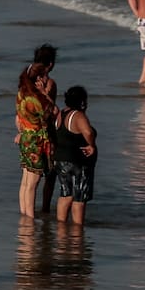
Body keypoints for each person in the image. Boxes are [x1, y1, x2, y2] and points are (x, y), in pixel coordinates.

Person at [16, 45, 58, 218]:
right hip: (39, 140)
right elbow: (54, 113)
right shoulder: (38, 98)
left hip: (26, 136)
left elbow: (18, 117)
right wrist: (44, 93)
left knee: (25, 182)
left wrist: (21, 131)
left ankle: (24, 216)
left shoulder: (21, 93)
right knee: (35, 182)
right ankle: (32, 219)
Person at [53, 86, 97, 225]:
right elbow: (88, 132)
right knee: (79, 198)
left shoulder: (61, 114)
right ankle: (77, 230)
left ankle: (61, 226)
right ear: (82, 101)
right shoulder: (78, 115)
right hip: (78, 161)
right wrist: (92, 145)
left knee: (65, 194)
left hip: (60, 159)